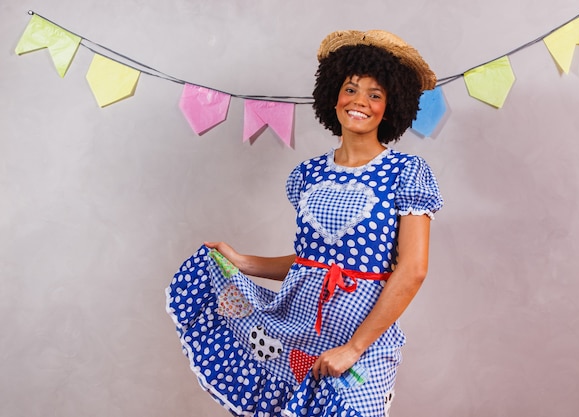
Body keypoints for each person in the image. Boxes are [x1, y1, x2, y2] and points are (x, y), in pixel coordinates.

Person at [166, 29, 443, 417]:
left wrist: (354, 348)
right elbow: (309, 263)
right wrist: (243, 262)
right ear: (333, 94)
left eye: (375, 94)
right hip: (298, 331)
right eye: (351, 89)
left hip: (362, 338)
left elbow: (412, 270)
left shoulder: (406, 173)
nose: (360, 101)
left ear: (391, 105)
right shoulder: (307, 175)